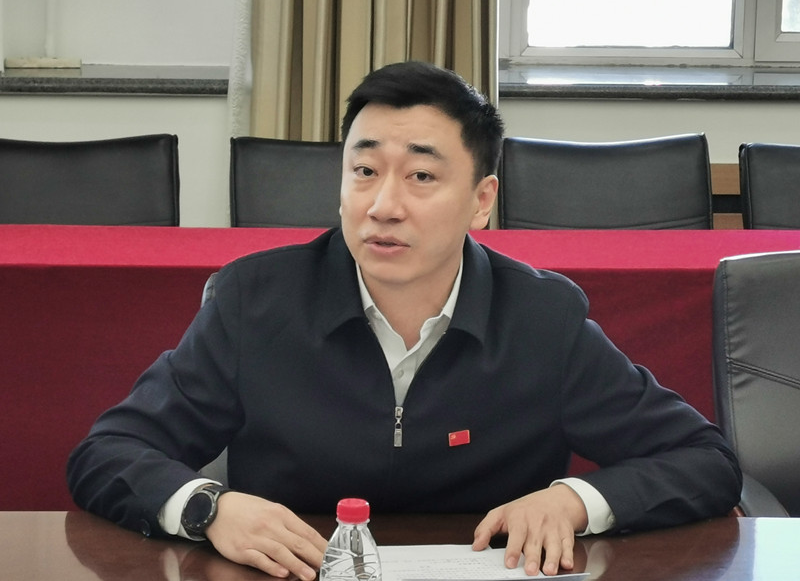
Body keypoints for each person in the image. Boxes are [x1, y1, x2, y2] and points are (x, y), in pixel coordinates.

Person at [67, 61, 742, 578]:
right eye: (363, 171)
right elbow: (107, 453)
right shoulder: (256, 301)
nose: (383, 205)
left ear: (482, 200)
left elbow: (703, 460)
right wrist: (208, 508)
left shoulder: (542, 318)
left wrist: (573, 500)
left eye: (421, 177)